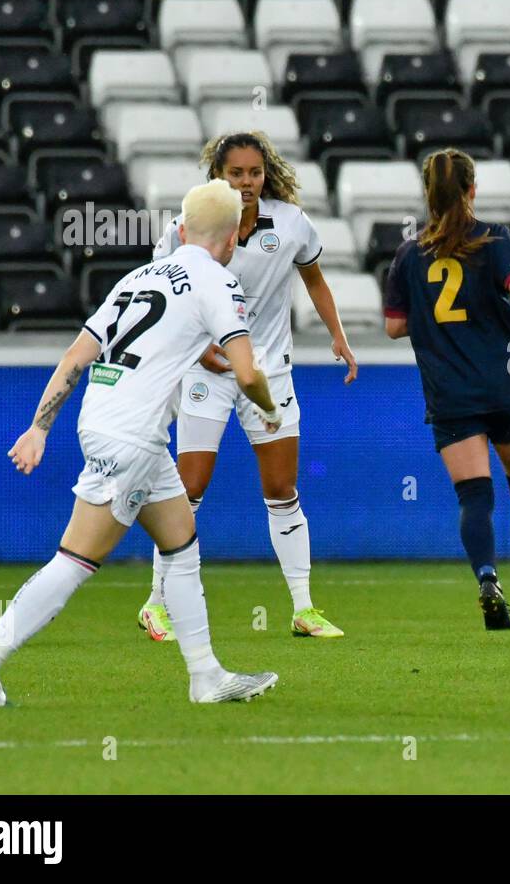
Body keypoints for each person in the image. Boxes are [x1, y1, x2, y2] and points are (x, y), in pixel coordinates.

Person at [0, 180, 281, 706]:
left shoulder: (139, 276)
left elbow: (76, 358)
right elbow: (247, 373)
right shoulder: (218, 283)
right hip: (132, 436)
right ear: (234, 236)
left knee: (180, 539)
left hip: (108, 422)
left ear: (180, 228)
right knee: (75, 560)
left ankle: (206, 676)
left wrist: (39, 427)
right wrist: (268, 410)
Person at [137, 132, 358, 642]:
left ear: (266, 173)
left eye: (253, 172)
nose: (246, 182)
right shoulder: (185, 227)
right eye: (235, 173)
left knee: (282, 490)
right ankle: (155, 603)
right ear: (219, 175)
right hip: (206, 372)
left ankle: (304, 609)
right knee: (188, 489)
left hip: (269, 372)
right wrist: (195, 351)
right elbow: (161, 293)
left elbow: (315, 280)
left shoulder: (291, 223)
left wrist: (339, 337)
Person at [383, 148, 510, 631]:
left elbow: (394, 327)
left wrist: (434, 323)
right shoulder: (495, 238)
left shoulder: (408, 255)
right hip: (505, 385)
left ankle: (488, 580)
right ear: (472, 190)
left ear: (428, 194)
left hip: (450, 393)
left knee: (475, 498)